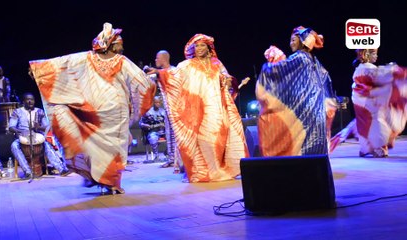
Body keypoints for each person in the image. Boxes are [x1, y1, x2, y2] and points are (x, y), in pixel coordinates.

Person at [29, 23, 156, 193]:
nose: (122, 46)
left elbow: (62, 64)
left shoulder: (89, 58)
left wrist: (39, 71)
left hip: (109, 113)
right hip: (105, 112)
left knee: (104, 148)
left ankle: (105, 180)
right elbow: (141, 81)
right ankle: (105, 180)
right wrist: (150, 85)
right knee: (109, 149)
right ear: (110, 43)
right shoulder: (115, 61)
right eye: (120, 42)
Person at [148, 33, 249, 183]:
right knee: (204, 138)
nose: (199, 48)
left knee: (219, 136)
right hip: (199, 109)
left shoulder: (216, 63)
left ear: (208, 48)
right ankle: (206, 170)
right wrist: (159, 73)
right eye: (196, 46)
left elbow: (226, 76)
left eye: (202, 45)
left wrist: (227, 81)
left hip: (217, 107)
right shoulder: (187, 65)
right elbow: (172, 75)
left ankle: (220, 168)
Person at [256, 26, 336, 156]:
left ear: (302, 41)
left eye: (293, 40)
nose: (290, 43)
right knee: (314, 145)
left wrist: (269, 64)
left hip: (305, 112)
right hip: (316, 112)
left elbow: (278, 71)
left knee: (301, 144)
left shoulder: (300, 57)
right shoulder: (314, 61)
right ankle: (314, 171)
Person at [348, 49, 406, 157]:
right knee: (375, 123)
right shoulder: (366, 68)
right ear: (366, 54)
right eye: (374, 53)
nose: (376, 56)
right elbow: (381, 77)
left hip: (364, 102)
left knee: (368, 124)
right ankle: (373, 147)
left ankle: (366, 148)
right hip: (366, 102)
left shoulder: (363, 68)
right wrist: (394, 70)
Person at [9, 93, 69, 179]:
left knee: (47, 145)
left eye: (32, 99)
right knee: (14, 146)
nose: (30, 101)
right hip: (22, 137)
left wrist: (38, 127)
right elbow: (11, 127)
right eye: (27, 99)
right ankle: (28, 171)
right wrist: (20, 132)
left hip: (36, 136)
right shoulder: (17, 112)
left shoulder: (40, 111)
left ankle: (61, 169)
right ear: (23, 101)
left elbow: (46, 127)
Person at [145, 50, 182, 171]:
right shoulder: (159, 73)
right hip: (167, 109)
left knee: (177, 135)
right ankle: (171, 159)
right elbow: (148, 76)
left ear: (164, 59)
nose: (155, 60)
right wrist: (145, 71)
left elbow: (170, 77)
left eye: (157, 58)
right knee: (169, 134)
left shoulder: (174, 70)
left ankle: (179, 160)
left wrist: (157, 72)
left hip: (178, 108)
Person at [139, 96, 166, 162]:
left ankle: (168, 154)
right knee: (153, 138)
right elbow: (140, 123)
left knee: (174, 138)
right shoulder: (148, 112)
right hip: (153, 131)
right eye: (156, 102)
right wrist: (145, 125)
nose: (158, 104)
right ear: (153, 102)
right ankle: (156, 156)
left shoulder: (163, 111)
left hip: (163, 132)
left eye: (159, 102)